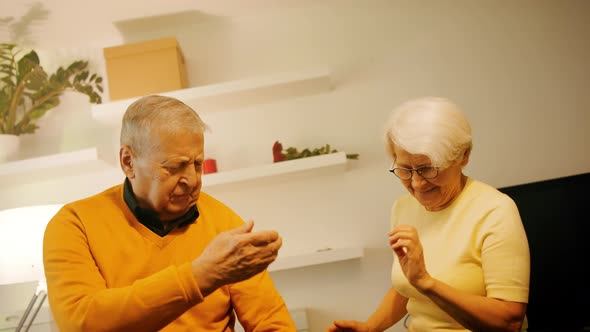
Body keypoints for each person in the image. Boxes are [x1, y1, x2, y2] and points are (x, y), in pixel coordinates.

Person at [43, 95, 296, 331]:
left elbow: (271, 323)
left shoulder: (225, 224)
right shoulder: (74, 224)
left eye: (198, 164)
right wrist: (203, 275)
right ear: (128, 162)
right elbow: (81, 321)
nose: (192, 180)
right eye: (175, 167)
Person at [327, 97, 530, 332]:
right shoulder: (404, 208)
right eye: (404, 169)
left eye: (427, 168)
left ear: (463, 156)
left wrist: (427, 282)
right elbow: (407, 287)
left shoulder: (495, 211)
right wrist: (369, 328)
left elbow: (509, 321)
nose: (417, 183)